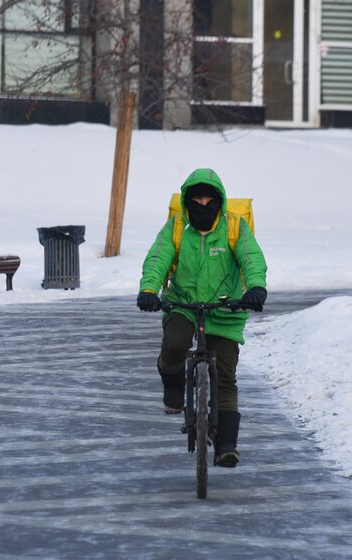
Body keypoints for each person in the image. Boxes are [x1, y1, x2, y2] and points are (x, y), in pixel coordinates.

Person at [137, 168, 268, 468]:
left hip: (226, 307)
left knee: (225, 375)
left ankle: (226, 446)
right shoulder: (176, 227)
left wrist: (256, 288)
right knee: (175, 345)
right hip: (183, 303)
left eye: (209, 199)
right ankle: (173, 385)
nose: (203, 204)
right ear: (187, 201)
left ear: (220, 200)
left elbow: (251, 258)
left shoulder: (234, 226)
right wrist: (149, 290)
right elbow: (158, 258)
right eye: (196, 200)